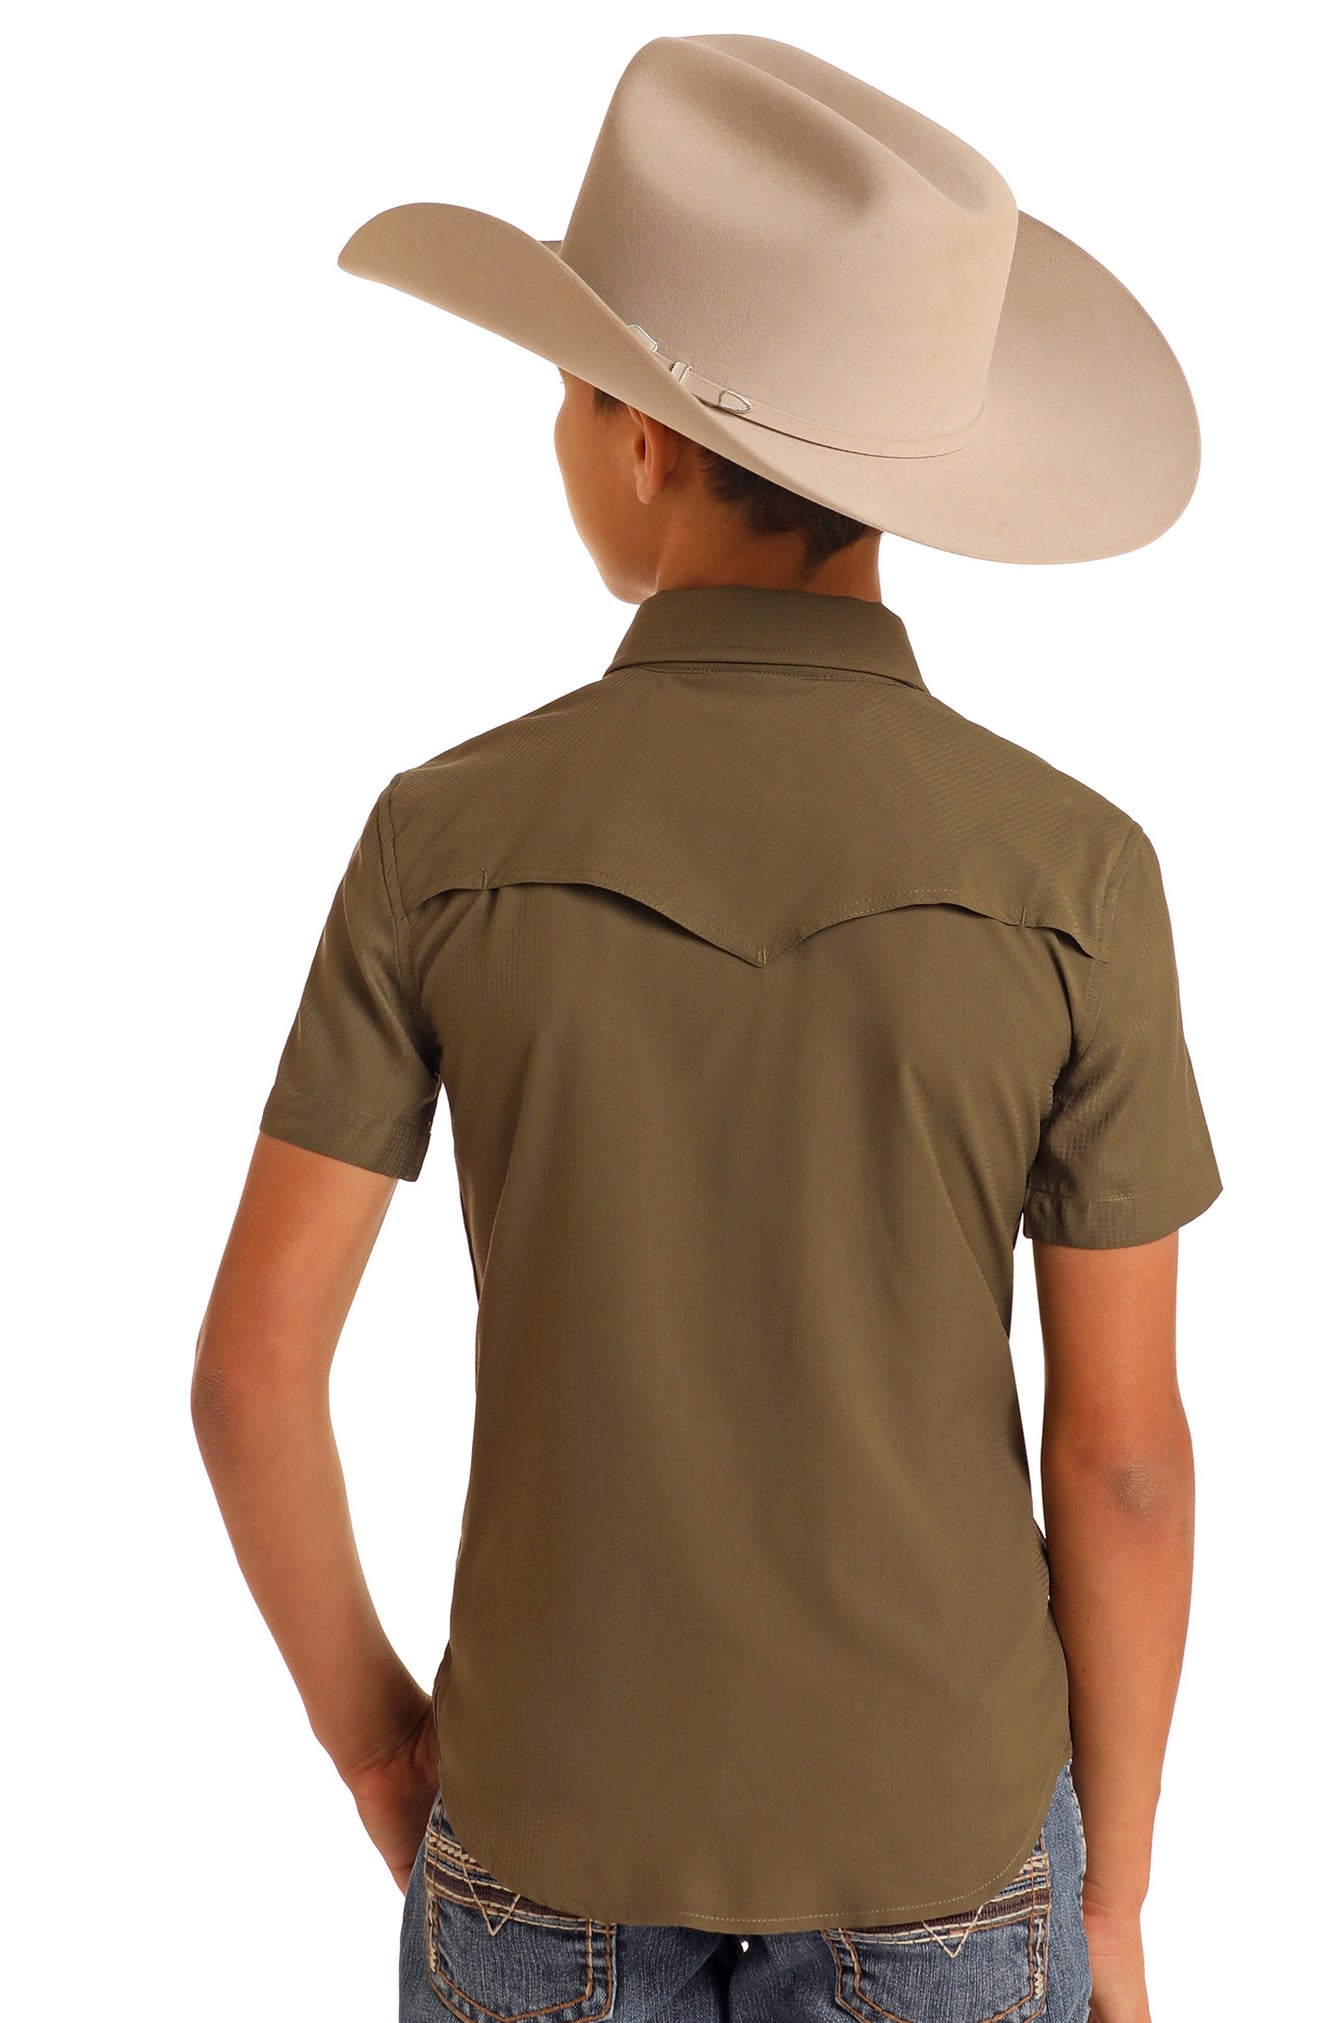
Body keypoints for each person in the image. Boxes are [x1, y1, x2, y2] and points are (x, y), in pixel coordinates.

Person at [192, 34, 1222, 2023]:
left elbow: (251, 1380)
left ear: (641, 437)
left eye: (562, 398)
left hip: (541, 1836)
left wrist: (383, 1751)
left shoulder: (445, 838)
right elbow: (1123, 1465)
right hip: (945, 1851)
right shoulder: (1078, 870)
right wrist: (1113, 1899)